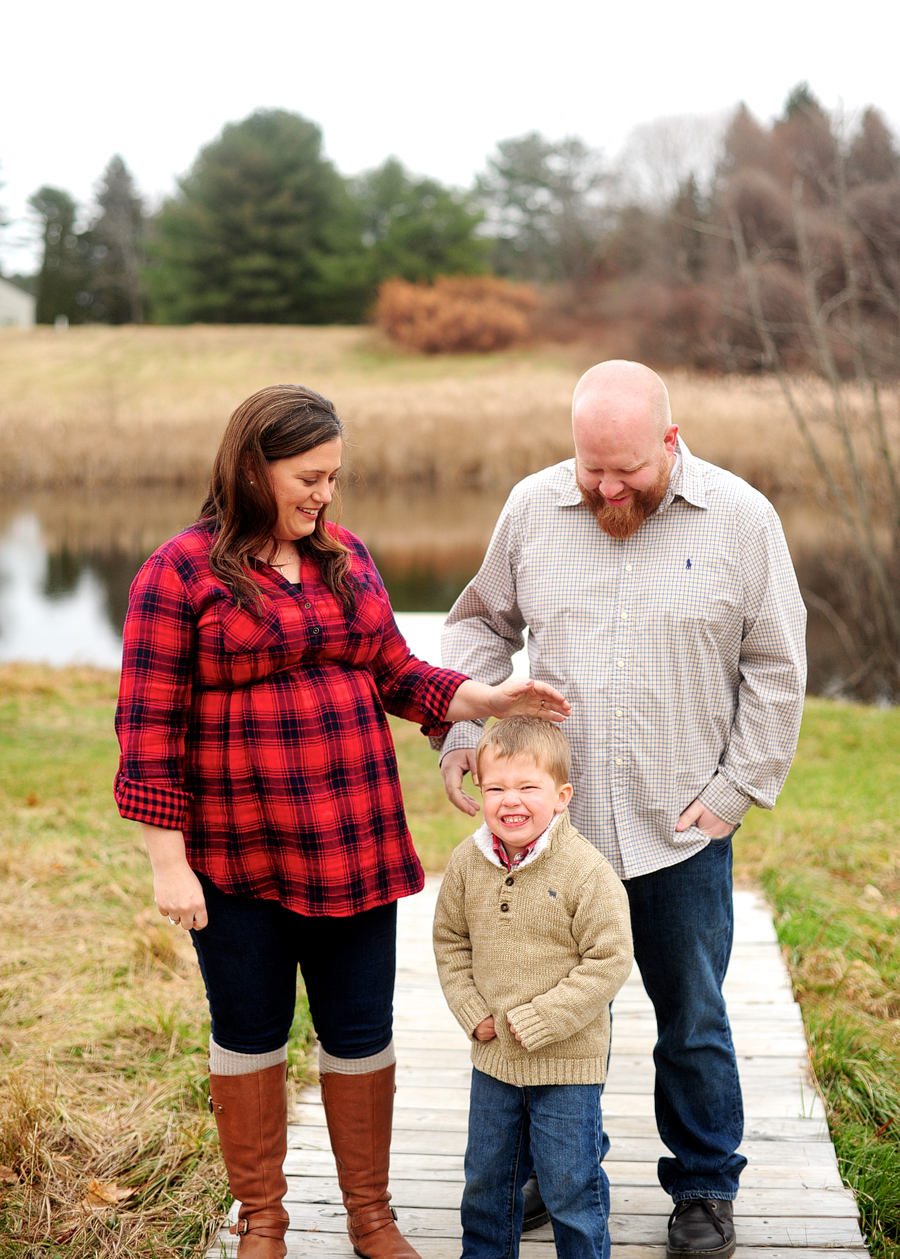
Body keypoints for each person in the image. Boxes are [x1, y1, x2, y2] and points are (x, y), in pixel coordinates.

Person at [113, 384, 571, 1259]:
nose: (325, 494)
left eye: (333, 477)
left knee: (361, 1033)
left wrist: (482, 697)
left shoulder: (345, 556)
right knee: (248, 1035)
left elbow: (395, 670)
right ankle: (264, 1218)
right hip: (237, 859)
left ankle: (370, 1213)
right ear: (253, 467)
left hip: (352, 843)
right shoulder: (178, 573)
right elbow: (146, 732)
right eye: (309, 476)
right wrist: (169, 865)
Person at [437, 361, 807, 1259]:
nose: (605, 487)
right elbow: (478, 623)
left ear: (670, 442)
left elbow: (778, 667)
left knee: (693, 1019)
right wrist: (462, 735)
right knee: (554, 1017)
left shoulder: (743, 519)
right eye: (589, 468)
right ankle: (560, 1166)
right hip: (554, 841)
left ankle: (705, 1183)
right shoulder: (532, 508)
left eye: (626, 470)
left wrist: (732, 793)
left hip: (680, 831)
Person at [433, 717, 633, 1259]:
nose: (510, 801)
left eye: (528, 787)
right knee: (487, 1181)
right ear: (480, 790)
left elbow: (609, 960)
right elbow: (450, 941)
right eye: (496, 787)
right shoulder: (468, 863)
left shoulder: (587, 872)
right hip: (494, 1058)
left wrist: (543, 1018)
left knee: (570, 1185)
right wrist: (472, 1011)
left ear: (562, 795)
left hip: (568, 1064)